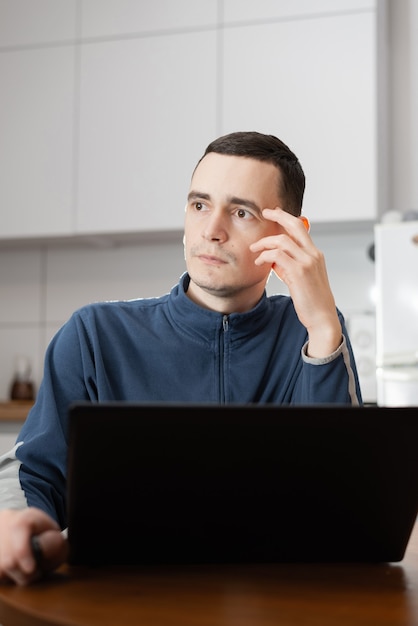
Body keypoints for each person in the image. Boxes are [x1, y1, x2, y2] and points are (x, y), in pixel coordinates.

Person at [0, 131, 362, 585]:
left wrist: (325, 328)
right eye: (199, 205)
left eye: (241, 211)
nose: (212, 229)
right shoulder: (94, 334)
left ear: (289, 233)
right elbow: (33, 472)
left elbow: (341, 498)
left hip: (275, 598)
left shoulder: (313, 332)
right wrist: (11, 522)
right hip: (117, 597)